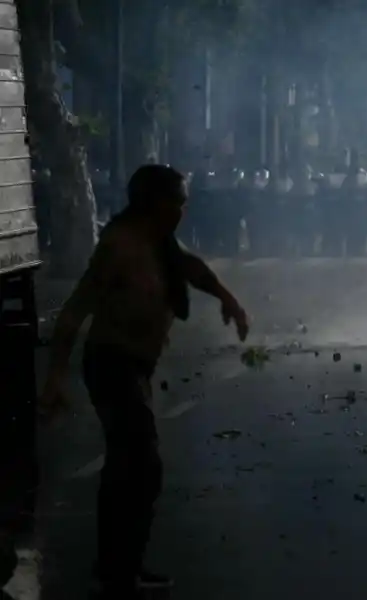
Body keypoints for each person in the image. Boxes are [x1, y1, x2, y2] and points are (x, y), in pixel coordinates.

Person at [37, 164, 250, 597]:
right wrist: (55, 378)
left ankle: (120, 566)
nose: (183, 209)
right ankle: (118, 570)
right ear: (154, 203)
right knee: (139, 462)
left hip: (135, 366)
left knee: (128, 464)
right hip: (111, 365)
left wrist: (228, 298)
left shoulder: (159, 242)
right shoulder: (120, 246)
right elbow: (76, 311)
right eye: (177, 200)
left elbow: (191, 268)